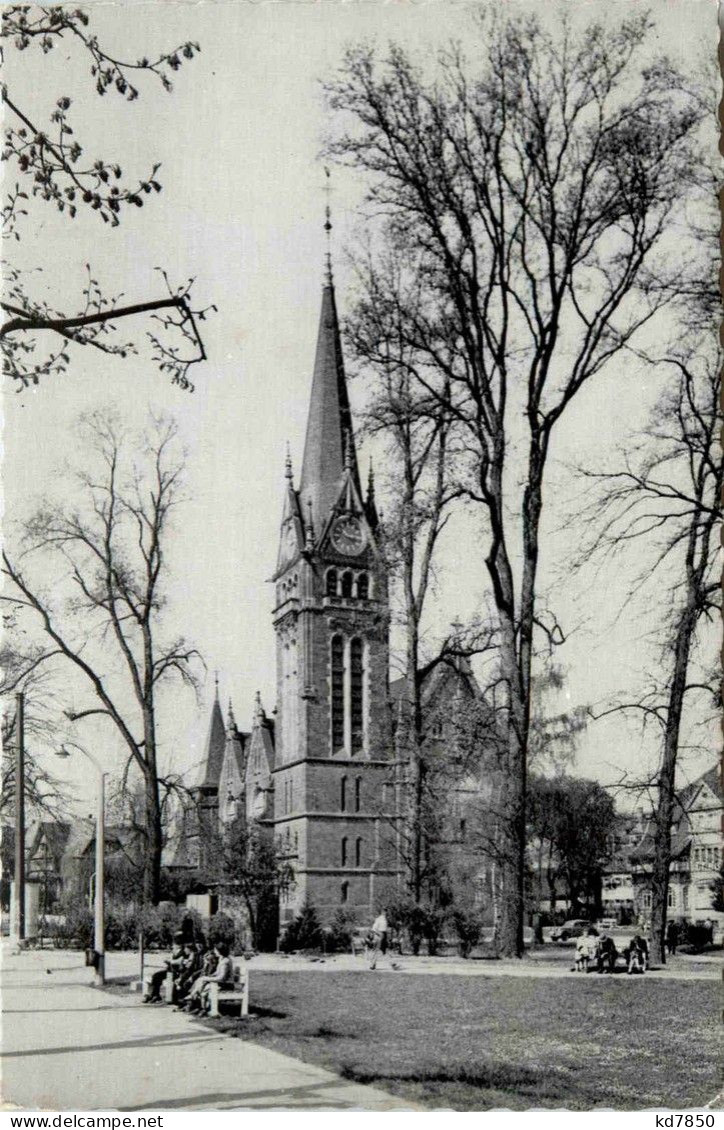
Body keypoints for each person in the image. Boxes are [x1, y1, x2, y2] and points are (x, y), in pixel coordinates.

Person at [185, 942, 235, 1013]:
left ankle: (194, 998)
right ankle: (202, 1007)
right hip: (220, 983)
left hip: (226, 985)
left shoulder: (226, 961)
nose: (214, 952)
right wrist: (209, 976)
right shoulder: (222, 959)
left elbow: (221, 978)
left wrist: (208, 979)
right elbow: (217, 972)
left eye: (215, 950)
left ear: (220, 951)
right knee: (202, 981)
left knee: (205, 985)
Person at [144, 932, 187, 1003]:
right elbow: (172, 960)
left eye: (175, 943)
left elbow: (179, 961)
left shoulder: (183, 952)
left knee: (166, 977)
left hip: (177, 972)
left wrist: (170, 961)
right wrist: (169, 961)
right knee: (156, 976)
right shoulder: (175, 951)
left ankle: (154, 995)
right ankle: (155, 995)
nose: (173, 945)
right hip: (170, 970)